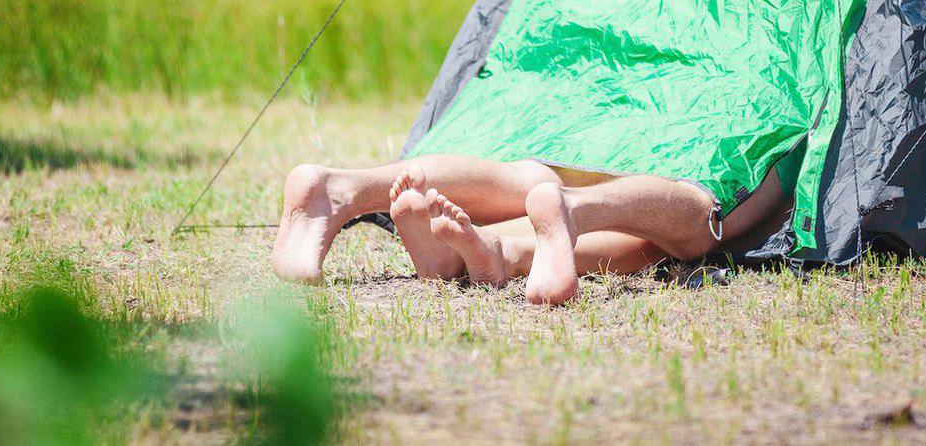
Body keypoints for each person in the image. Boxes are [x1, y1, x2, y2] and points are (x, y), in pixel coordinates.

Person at [271, 155, 788, 305]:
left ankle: (341, 189)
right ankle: (568, 213)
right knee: (706, 222)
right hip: (727, 105)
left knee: (536, 173)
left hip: (611, 84)